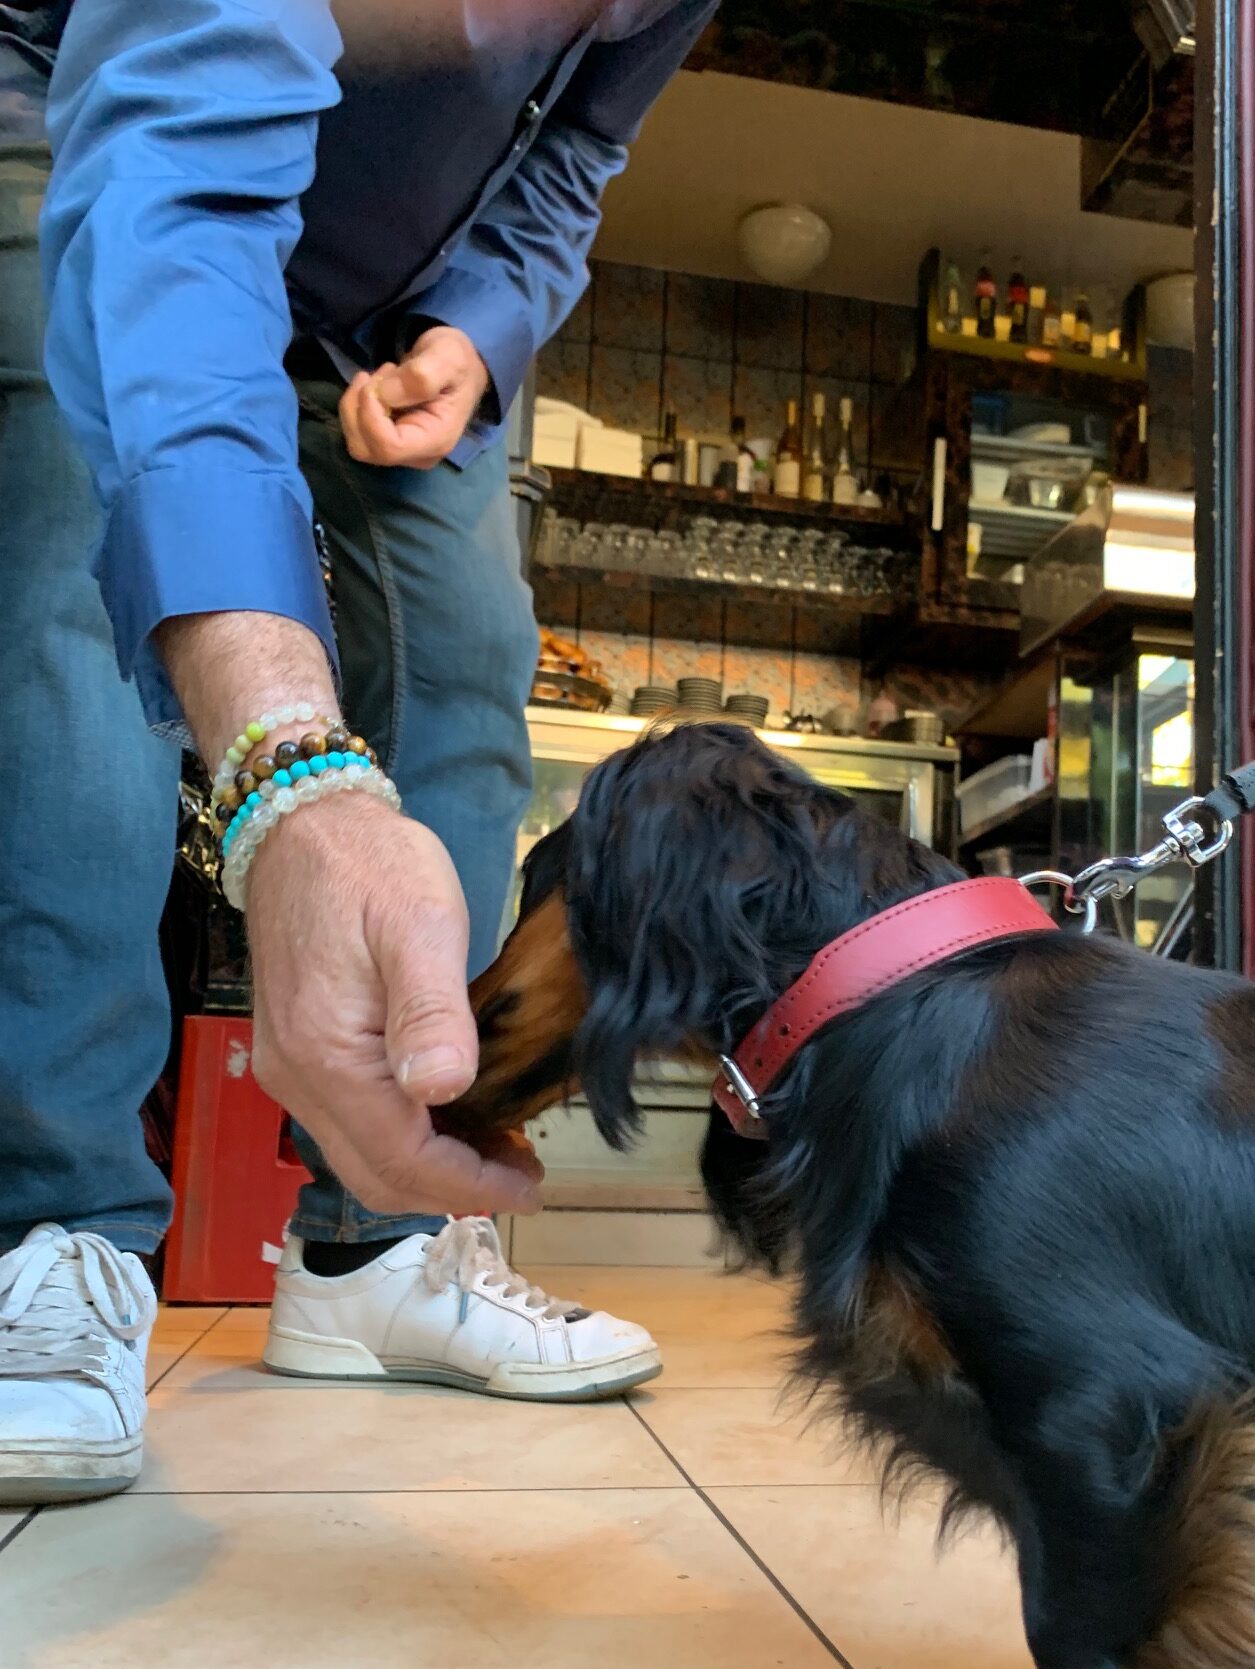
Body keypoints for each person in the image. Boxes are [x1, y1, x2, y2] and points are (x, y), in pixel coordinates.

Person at [0, 0, 717, 1505]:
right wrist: (285, 770)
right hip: (91, 125)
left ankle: (374, 1245)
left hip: (388, 294)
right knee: (78, 593)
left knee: (466, 657)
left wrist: (482, 322)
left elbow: (576, 145)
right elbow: (182, 164)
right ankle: (53, 1233)